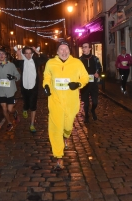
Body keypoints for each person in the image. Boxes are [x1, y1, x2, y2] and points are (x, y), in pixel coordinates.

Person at [43, 41, 89, 170]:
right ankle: (58, 157)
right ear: (57, 52)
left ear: (70, 50)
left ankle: (66, 136)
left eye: (66, 49)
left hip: (71, 102)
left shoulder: (77, 63)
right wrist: (46, 85)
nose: (64, 52)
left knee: (67, 126)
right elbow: (47, 76)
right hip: (55, 101)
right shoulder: (51, 63)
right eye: (61, 49)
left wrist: (78, 84)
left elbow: (85, 77)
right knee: (55, 128)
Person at [14, 46, 47, 132]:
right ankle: (25, 108)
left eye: (30, 53)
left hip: (34, 86)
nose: (28, 55)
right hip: (24, 86)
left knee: (33, 105)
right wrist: (18, 55)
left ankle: (32, 124)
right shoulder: (22, 61)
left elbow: (45, 58)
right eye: (26, 53)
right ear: (24, 54)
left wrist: (37, 51)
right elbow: (16, 63)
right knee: (26, 102)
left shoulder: (35, 61)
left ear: (32, 54)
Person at [0, 49, 21, 131]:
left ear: (6, 55)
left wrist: (13, 77)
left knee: (10, 109)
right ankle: (9, 123)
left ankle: (15, 112)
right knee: (4, 108)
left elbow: (18, 75)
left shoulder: (11, 65)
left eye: (3, 54)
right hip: (1, 91)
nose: (1, 55)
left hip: (10, 91)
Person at [79, 42, 102, 123]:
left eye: (85, 47)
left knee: (95, 101)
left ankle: (93, 110)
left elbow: (99, 67)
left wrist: (98, 73)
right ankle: (86, 116)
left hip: (93, 83)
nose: (84, 49)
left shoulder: (95, 58)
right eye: (83, 47)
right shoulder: (80, 60)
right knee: (86, 102)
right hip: (84, 84)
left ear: (89, 48)